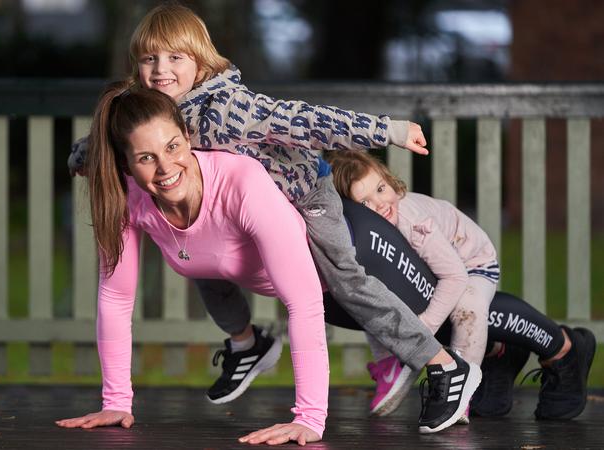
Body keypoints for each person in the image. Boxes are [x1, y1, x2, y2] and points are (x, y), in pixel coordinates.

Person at [67, 3, 482, 434]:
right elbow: (110, 140)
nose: (160, 70)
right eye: (149, 59)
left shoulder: (230, 109)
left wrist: (387, 131)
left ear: (201, 59)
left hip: (305, 196)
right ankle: (248, 345)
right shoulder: (147, 112)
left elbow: (306, 121)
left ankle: (442, 365)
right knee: (197, 258)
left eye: (175, 58)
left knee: (346, 283)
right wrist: (82, 157)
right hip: (233, 214)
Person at [57, 84, 328, 446]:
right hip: (323, 299)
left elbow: (305, 302)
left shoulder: (241, 182)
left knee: (425, 338)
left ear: (187, 136)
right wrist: (116, 402)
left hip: (352, 271)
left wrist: (310, 418)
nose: (166, 167)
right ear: (125, 164)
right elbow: (116, 298)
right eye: (145, 158)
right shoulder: (128, 200)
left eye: (172, 147)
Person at [327, 150, 596, 423]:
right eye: (365, 203)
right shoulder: (369, 237)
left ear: (389, 179)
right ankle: (498, 354)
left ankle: (458, 390)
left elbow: (455, 276)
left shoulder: (414, 223)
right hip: (435, 269)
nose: (380, 204)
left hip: (471, 264)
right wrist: (390, 355)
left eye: (381, 189)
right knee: (395, 301)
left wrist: (423, 329)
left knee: (466, 312)